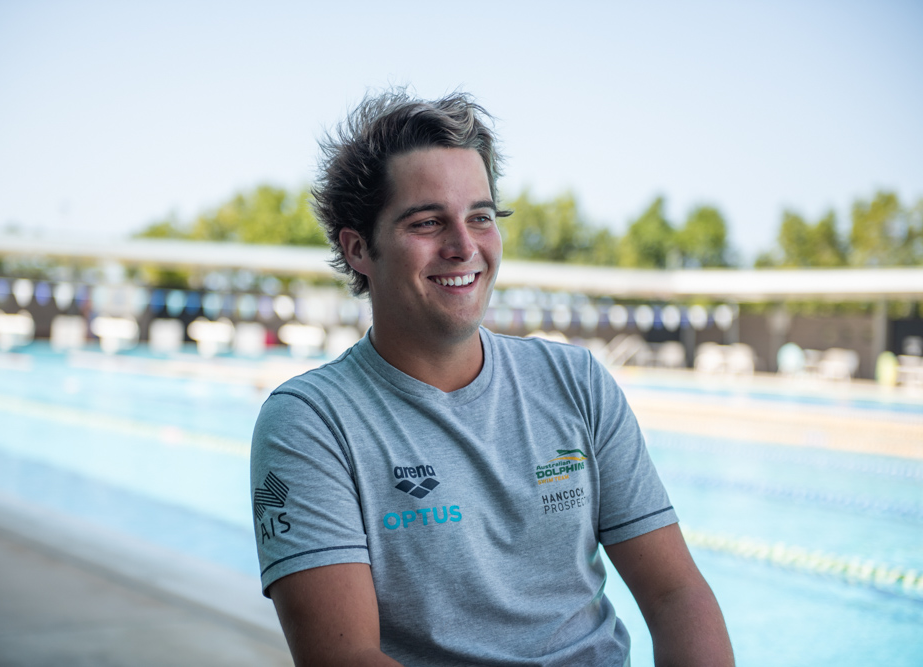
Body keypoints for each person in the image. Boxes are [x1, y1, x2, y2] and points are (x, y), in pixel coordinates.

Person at [250, 90, 733, 666]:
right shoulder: (311, 421)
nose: (464, 246)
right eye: (428, 222)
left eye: (480, 217)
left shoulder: (574, 382)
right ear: (358, 248)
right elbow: (344, 657)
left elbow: (676, 592)